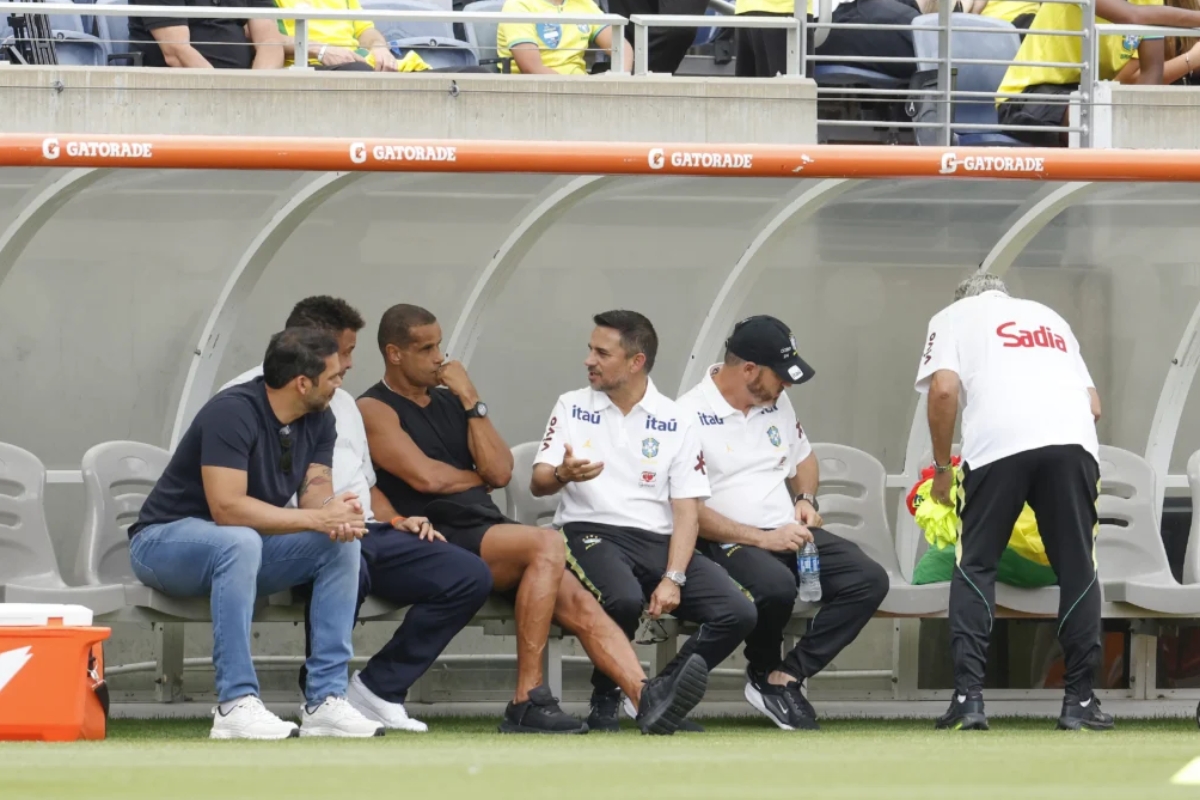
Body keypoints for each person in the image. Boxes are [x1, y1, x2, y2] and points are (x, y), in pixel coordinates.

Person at [359, 303, 709, 735]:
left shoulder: (454, 402)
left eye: (440, 346)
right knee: (547, 543)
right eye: (426, 348)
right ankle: (527, 697)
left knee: (578, 600)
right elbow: (426, 478)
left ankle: (646, 697)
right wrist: (474, 477)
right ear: (395, 354)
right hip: (433, 535)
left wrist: (471, 400)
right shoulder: (374, 407)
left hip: (483, 529)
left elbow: (502, 471)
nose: (440, 358)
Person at [221, 296, 493, 733]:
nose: (348, 363)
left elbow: (363, 486)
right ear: (309, 352)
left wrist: (394, 519)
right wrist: (327, 519)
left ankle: (378, 689)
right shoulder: (247, 398)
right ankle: (322, 695)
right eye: (343, 352)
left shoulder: (342, 403)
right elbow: (238, 499)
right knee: (345, 554)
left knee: (468, 575)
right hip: (299, 537)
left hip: (365, 528)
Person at [129, 328, 383, 739]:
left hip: (239, 549)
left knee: (339, 544)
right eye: (334, 377)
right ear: (303, 383)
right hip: (161, 544)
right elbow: (227, 508)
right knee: (240, 539)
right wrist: (318, 519)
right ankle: (235, 705)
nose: (341, 383)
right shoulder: (232, 411)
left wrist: (334, 513)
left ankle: (325, 702)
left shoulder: (320, 417)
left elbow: (315, 488)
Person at [531, 310, 757, 733]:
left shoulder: (675, 418)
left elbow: (687, 509)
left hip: (656, 538)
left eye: (602, 352)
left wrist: (674, 576)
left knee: (738, 611)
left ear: (636, 362)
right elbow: (538, 482)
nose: (589, 361)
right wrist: (562, 474)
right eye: (590, 350)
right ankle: (608, 697)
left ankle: (659, 698)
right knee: (624, 598)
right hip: (588, 531)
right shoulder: (571, 405)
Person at [915, 273, 1108, 732]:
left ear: (963, 296)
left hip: (997, 446)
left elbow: (944, 390)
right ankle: (1080, 702)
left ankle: (969, 699)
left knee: (975, 564)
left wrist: (943, 468)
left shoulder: (953, 315)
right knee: (1078, 567)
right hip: (1073, 443)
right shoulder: (1050, 317)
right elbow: (1094, 405)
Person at [677, 315, 889, 731]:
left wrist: (806, 499)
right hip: (725, 539)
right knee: (775, 585)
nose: (787, 386)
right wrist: (764, 538)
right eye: (782, 376)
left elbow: (803, 458)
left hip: (788, 532)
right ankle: (759, 670)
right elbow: (688, 512)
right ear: (749, 370)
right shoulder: (686, 415)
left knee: (868, 579)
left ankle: (784, 678)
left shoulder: (776, 401)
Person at [994, 0, 1200, 146]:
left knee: (1133, 130)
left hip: (1091, 95)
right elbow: (1132, 16)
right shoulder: (1142, 11)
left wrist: (1141, 127)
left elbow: (1151, 73)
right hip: (1030, 95)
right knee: (1096, 124)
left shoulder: (1151, 2)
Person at [270, 0, 490, 72]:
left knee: (474, 75)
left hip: (362, 64)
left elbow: (366, 31)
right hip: (310, 67)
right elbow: (268, 39)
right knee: (359, 73)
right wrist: (321, 50)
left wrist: (379, 47)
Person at [129, 0, 283, 69]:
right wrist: (225, 94)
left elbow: (269, 42)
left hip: (237, 93)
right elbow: (176, 52)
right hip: (177, 92)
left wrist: (258, 89)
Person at [497, 0, 633, 75]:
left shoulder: (585, 4)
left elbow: (622, 48)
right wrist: (578, 89)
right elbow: (531, 68)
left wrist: (620, 79)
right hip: (535, 94)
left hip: (580, 91)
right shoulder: (518, 5)